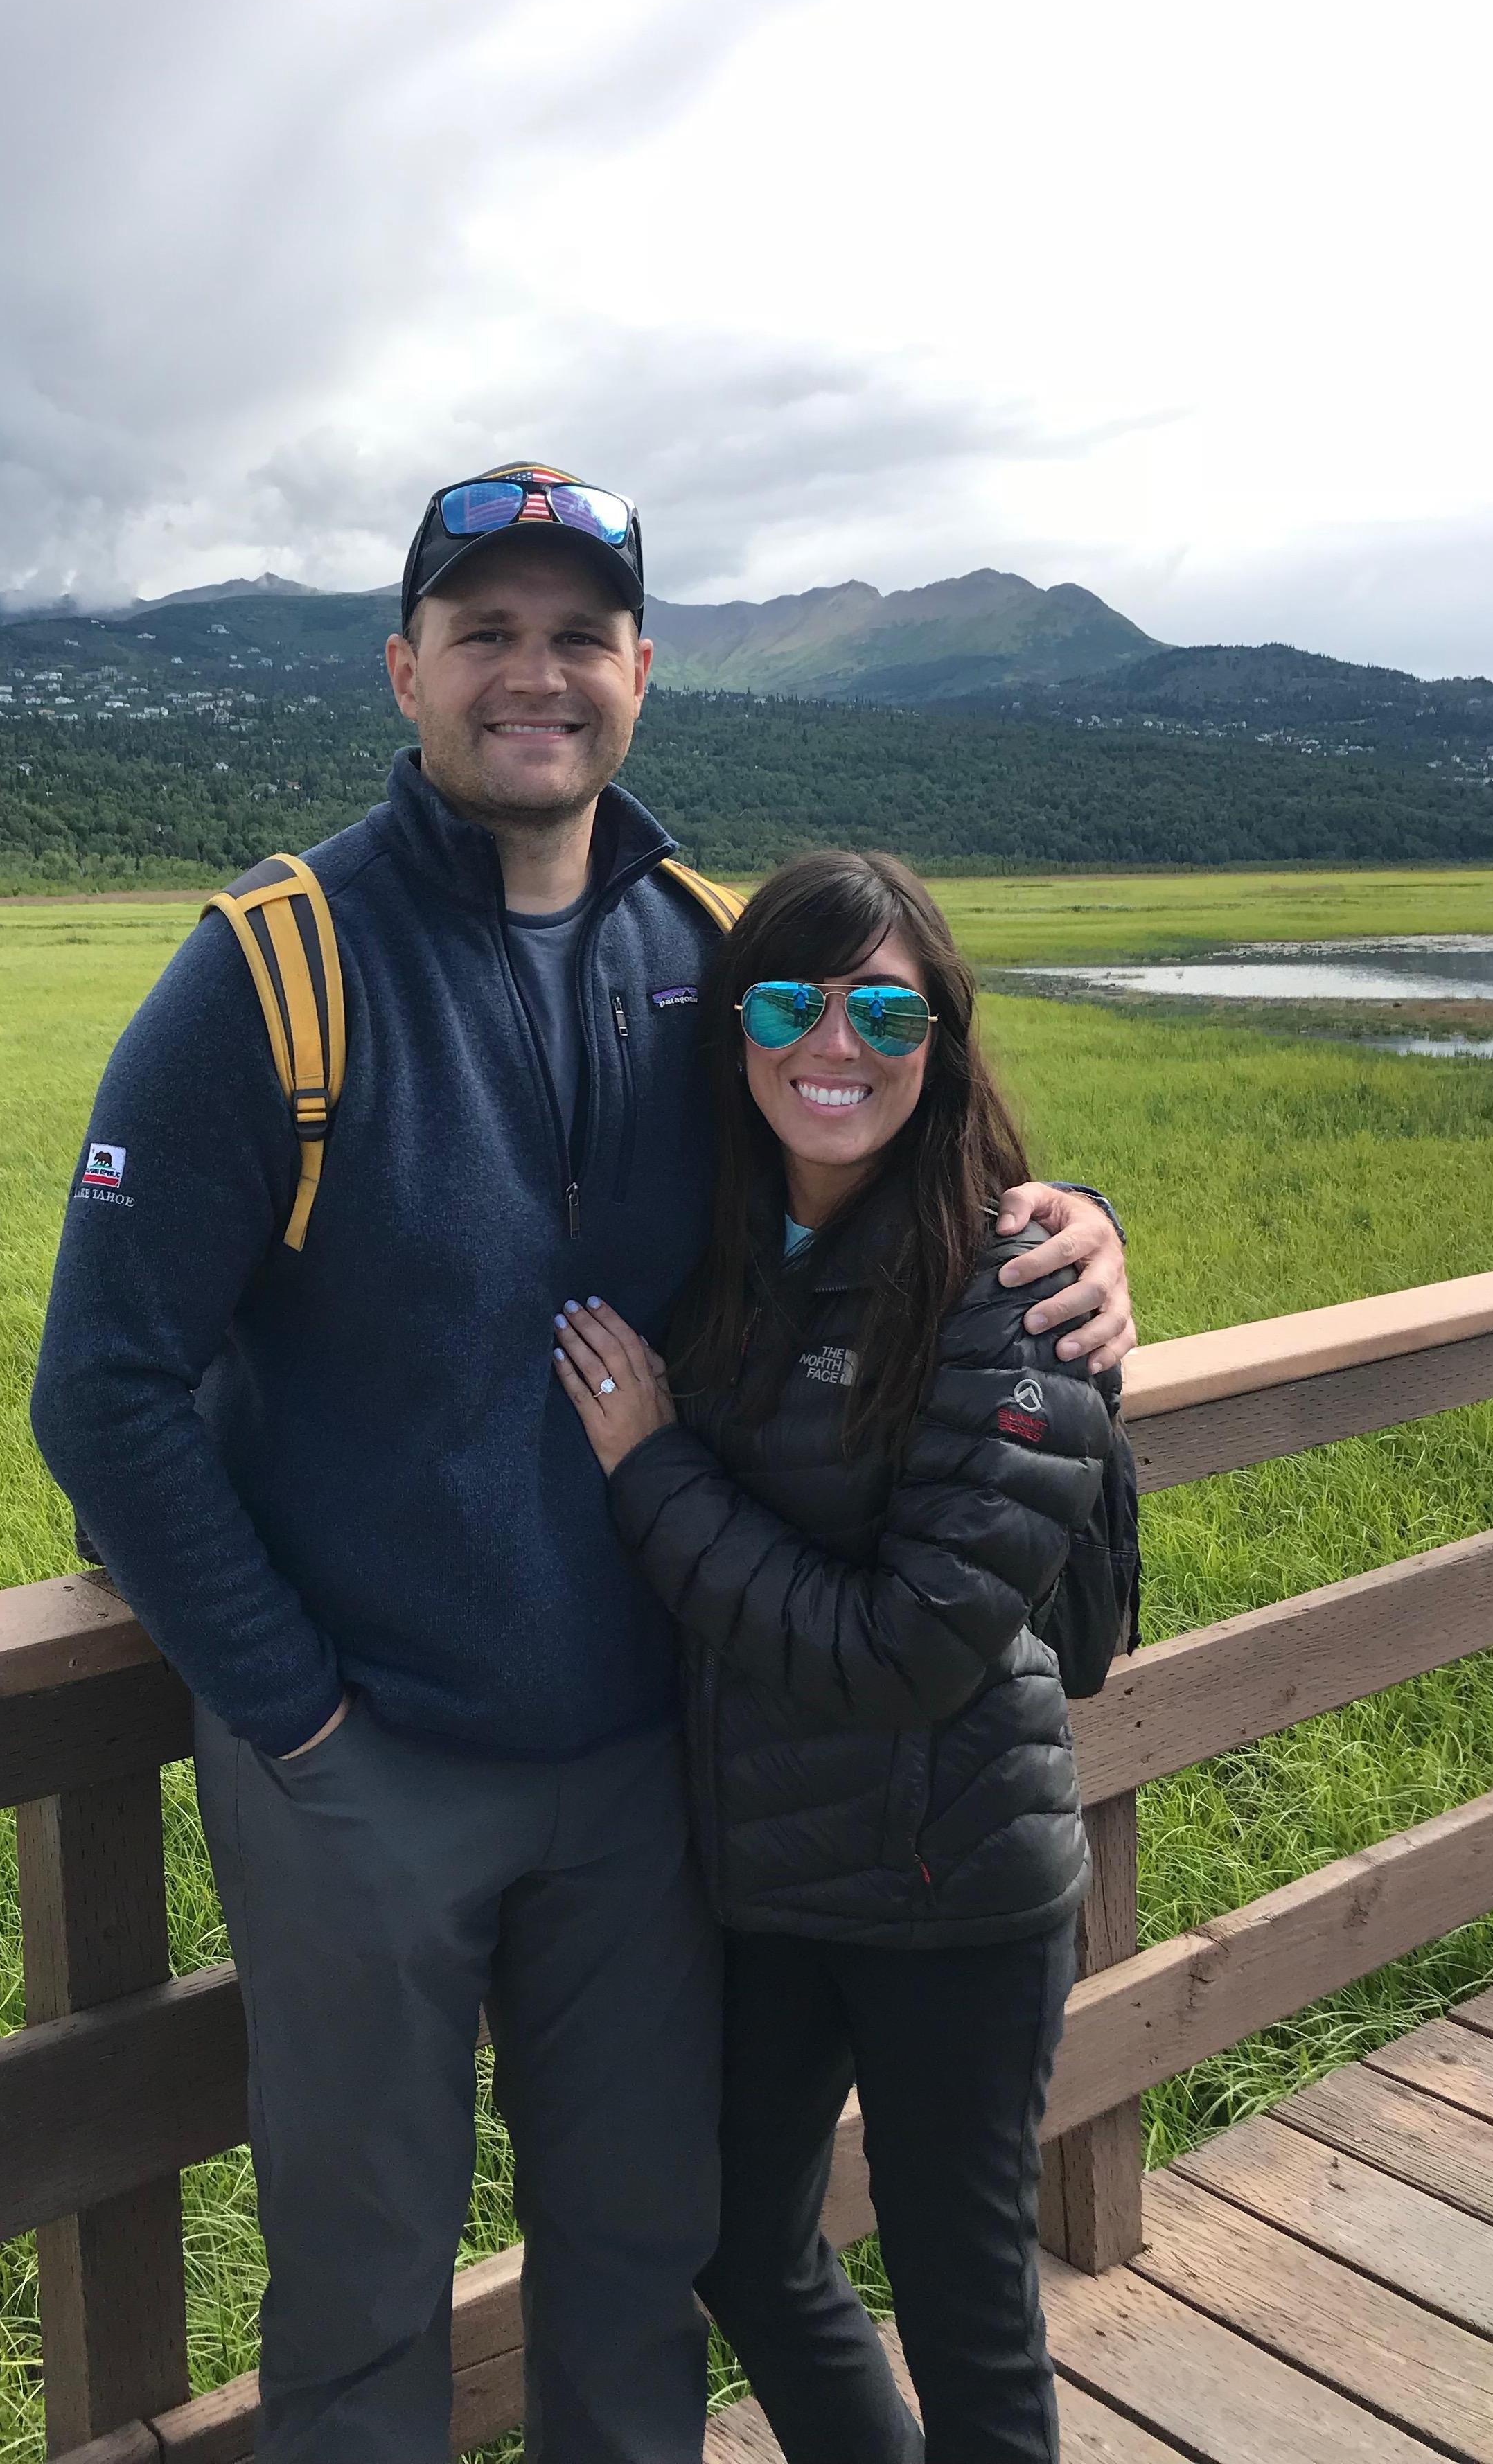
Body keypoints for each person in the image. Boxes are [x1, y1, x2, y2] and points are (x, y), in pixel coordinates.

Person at [32, 466, 1135, 2464]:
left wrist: (1064, 1230)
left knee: (638, 2263)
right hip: (362, 1769)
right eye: (486, 633)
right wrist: (297, 1722)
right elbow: (100, 1389)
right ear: (406, 671)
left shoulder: (708, 963)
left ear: (641, 673)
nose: (534, 675)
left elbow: (871, 1167)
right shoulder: (270, 972)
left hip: (646, 1776)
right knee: (363, 2300)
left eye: (578, 636)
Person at [551, 847, 1127, 2464]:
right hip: (770, 1882)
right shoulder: (725, 1245)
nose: (837, 1045)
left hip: (952, 1888)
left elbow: (910, 1654)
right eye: (794, 1001)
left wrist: (651, 1471)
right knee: (736, 2243)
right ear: (732, 1031)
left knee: (969, 2319)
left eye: (886, 1008)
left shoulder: (1014, 1285)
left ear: (940, 1037)